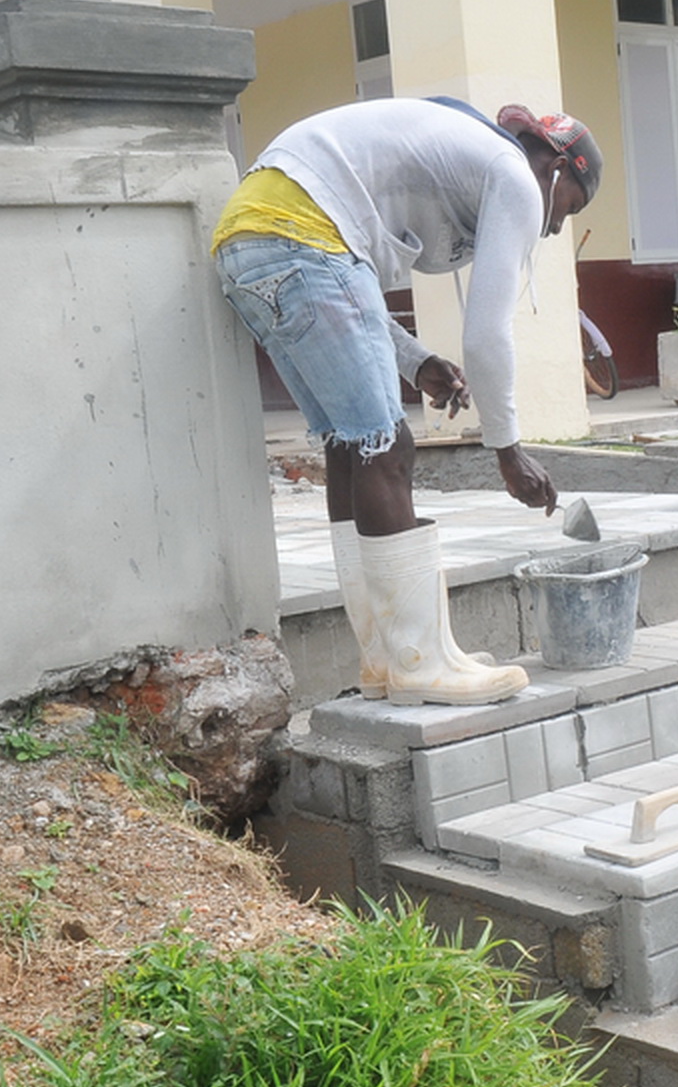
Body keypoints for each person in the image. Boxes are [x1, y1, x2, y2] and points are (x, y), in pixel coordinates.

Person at [211, 96, 604, 706]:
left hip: (249, 235)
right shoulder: (515, 177)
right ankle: (421, 664)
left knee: (352, 443)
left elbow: (348, 274)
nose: (554, 227)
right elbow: (485, 335)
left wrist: (416, 363)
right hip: (304, 233)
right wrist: (507, 450)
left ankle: (386, 660)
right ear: (557, 169)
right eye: (568, 207)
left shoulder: (460, 157)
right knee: (387, 446)